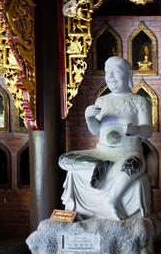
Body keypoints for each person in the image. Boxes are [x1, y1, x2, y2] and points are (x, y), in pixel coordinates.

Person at [59, 56, 152, 220]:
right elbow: (96, 131)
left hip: (128, 153)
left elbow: (148, 131)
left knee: (134, 164)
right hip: (102, 153)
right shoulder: (102, 100)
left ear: (127, 75)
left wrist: (137, 129)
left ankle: (112, 199)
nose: (110, 77)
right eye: (108, 73)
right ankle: (98, 165)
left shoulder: (139, 101)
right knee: (64, 159)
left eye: (115, 73)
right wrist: (90, 119)